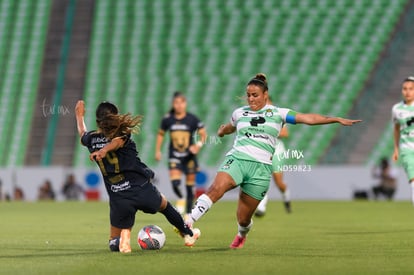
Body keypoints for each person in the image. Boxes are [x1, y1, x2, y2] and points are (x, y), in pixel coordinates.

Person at [187, 73, 361, 249]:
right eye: (248, 95)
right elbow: (230, 127)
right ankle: (188, 223)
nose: (250, 99)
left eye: (255, 95)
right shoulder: (239, 113)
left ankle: (241, 234)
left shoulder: (278, 113)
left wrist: (335, 119)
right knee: (217, 188)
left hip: (261, 169)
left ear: (265, 95)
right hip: (237, 159)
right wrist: (222, 131)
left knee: (243, 218)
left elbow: (308, 119)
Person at [75, 100, 200, 253]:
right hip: (140, 188)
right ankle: (188, 234)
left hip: (118, 196)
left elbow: (83, 134)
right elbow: (117, 142)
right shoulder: (122, 133)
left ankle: (123, 238)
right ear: (116, 116)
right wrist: (105, 150)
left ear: (97, 121)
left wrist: (79, 116)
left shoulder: (92, 139)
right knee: (165, 206)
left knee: (113, 243)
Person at [155, 91, 207, 218]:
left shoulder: (192, 119)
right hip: (174, 155)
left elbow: (203, 135)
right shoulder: (168, 119)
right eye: (176, 103)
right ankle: (181, 198)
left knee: (190, 186)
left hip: (189, 156)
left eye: (181, 102)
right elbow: (161, 134)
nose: (179, 105)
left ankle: (189, 214)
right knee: (175, 183)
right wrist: (157, 150)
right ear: (173, 104)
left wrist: (198, 145)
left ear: (185, 103)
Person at [255, 124, 292, 216]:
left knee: (279, 182)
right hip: (263, 151)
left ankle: (286, 199)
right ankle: (261, 207)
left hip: (277, 152)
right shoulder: (258, 118)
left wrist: (268, 131)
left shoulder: (278, 116)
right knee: (262, 179)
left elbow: (285, 133)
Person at [392, 76, 414, 204]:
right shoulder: (397, 109)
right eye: (405, 89)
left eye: (411, 89)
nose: (407, 92)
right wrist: (396, 148)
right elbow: (396, 129)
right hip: (407, 148)